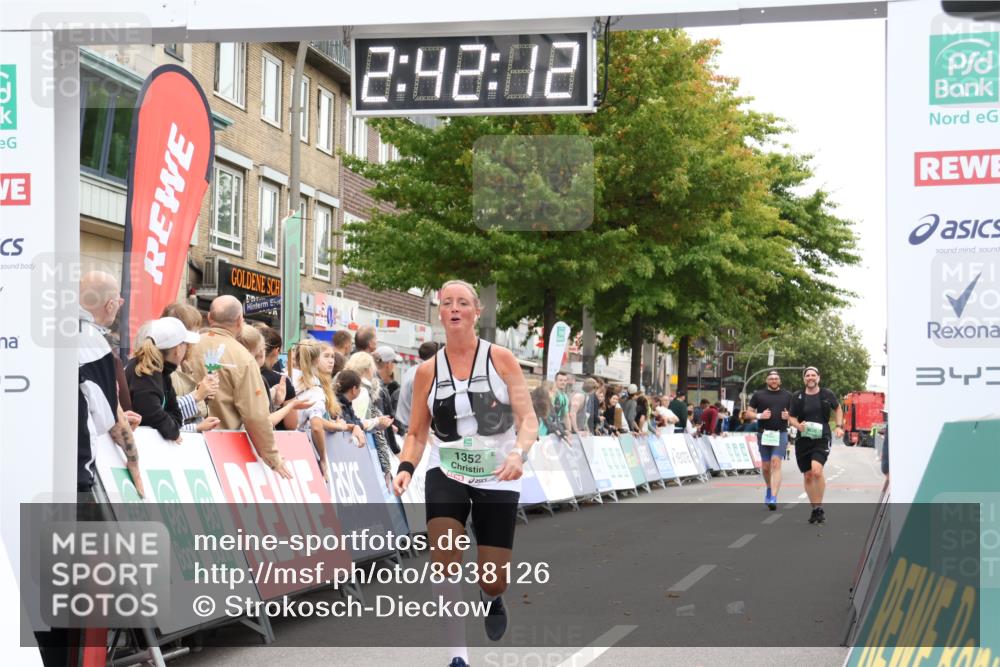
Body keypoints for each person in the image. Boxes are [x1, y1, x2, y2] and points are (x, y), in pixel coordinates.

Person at [392, 280, 538, 667]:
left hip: (498, 473)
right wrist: (406, 466)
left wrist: (519, 455)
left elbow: (528, 420)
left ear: (477, 312)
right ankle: (458, 656)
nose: (454, 308)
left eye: (462, 303)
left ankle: (491, 597)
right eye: (446, 303)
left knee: (493, 577)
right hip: (447, 469)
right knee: (444, 553)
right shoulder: (425, 372)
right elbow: (416, 433)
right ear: (440, 312)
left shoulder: (502, 359)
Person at [189, 295, 291, 479]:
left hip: (185, 441)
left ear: (210, 318)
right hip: (224, 449)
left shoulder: (188, 346)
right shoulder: (243, 358)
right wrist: (272, 456)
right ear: (240, 321)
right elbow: (255, 414)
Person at [78, 271, 144, 497]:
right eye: (119, 302)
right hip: (72, 471)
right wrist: (133, 460)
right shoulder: (92, 344)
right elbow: (112, 418)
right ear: (110, 305)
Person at [126, 317, 210, 441]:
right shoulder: (146, 372)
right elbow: (151, 414)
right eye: (185, 344)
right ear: (177, 350)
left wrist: (172, 428)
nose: (187, 349)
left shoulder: (162, 372)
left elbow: (175, 413)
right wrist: (173, 432)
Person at [294, 339, 362, 479]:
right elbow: (316, 424)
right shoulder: (313, 387)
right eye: (326, 356)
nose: (331, 361)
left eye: (332, 357)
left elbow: (319, 420)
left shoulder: (321, 385)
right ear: (315, 359)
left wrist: (345, 426)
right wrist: (323, 458)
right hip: (300, 448)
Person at [788, 366, 844, 524]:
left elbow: (838, 408)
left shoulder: (827, 394)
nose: (810, 378)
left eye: (813, 375)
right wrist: (798, 425)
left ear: (818, 378)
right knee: (807, 475)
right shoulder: (797, 396)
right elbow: (791, 417)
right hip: (803, 439)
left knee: (817, 471)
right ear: (804, 379)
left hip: (822, 437)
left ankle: (819, 506)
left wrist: (839, 426)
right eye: (808, 375)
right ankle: (815, 509)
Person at [345, 351, 395, 484]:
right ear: (367, 369)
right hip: (356, 450)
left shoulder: (347, 384)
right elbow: (358, 422)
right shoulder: (362, 391)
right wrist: (377, 422)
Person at [747, 370, 793, 510]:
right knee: (766, 467)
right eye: (771, 378)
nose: (774, 380)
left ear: (780, 381)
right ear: (767, 381)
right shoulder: (758, 395)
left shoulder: (788, 396)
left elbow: (796, 415)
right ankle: (769, 487)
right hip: (764, 434)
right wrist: (760, 416)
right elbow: (748, 413)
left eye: (776, 378)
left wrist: (788, 416)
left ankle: (773, 497)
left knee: (776, 463)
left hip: (780, 434)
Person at [395, 341, 440, 433]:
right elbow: (419, 411)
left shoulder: (412, 370)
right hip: (409, 429)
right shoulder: (424, 375)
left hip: (402, 424)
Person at [373, 345, 403, 453]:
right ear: (388, 364)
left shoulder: (376, 384)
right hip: (379, 447)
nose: (394, 366)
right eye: (394, 362)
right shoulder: (378, 388)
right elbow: (383, 420)